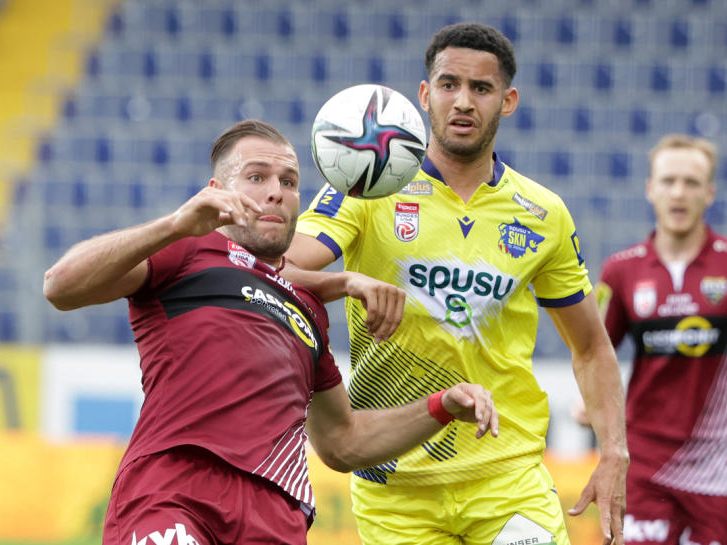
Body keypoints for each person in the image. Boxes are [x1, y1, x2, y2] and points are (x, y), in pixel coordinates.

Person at [42, 119, 498, 545]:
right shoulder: (185, 251)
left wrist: (441, 405)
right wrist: (174, 224)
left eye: (289, 182)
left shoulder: (309, 308)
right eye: (257, 177)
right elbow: (60, 287)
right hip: (174, 489)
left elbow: (343, 442)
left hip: (274, 515)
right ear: (216, 191)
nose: (276, 192)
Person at [286, 22, 629, 545]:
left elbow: (590, 348)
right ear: (425, 95)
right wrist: (348, 280)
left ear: (507, 101)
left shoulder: (543, 214)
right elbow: (277, 270)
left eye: (481, 88)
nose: (463, 101)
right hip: (394, 484)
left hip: (506, 475)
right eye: (449, 85)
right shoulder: (369, 188)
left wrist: (614, 453)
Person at [594, 134, 727, 545]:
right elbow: (594, 353)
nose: (678, 193)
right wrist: (591, 402)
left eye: (691, 183)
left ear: (709, 193)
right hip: (643, 463)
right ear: (651, 189)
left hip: (716, 468)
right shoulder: (621, 271)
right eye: (668, 181)